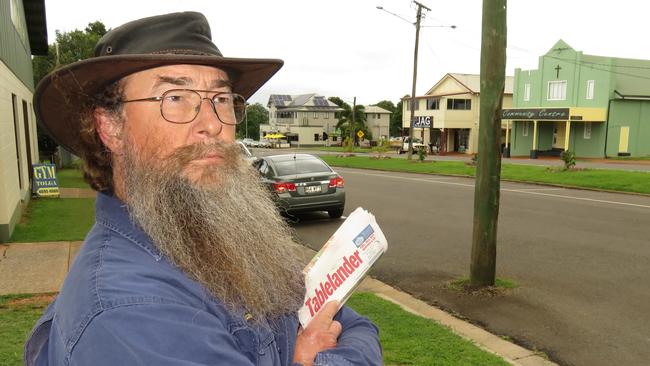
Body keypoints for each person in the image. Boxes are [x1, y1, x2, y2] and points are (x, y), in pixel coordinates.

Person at [25, 12, 381, 366]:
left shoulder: (220, 238)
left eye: (222, 99)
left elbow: (352, 324)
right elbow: (346, 337)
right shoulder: (129, 311)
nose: (212, 125)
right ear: (110, 127)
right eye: (175, 97)